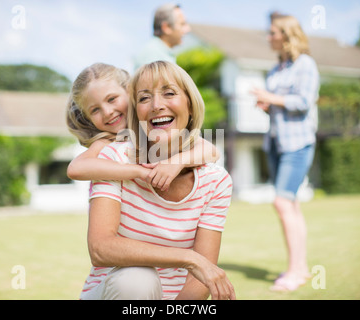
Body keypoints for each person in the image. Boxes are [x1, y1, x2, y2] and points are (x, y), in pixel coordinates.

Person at [78, 61, 235, 300]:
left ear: (190, 105)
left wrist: (178, 161)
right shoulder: (112, 158)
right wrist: (190, 259)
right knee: (138, 280)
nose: (157, 106)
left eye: (169, 93)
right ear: (135, 110)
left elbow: (198, 282)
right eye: (144, 98)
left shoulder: (215, 180)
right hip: (116, 293)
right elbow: (100, 249)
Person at [66, 62, 218, 191]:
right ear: (88, 118)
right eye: (95, 110)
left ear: (131, 92)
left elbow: (212, 151)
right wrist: (139, 171)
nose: (107, 112)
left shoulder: (155, 128)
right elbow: (75, 168)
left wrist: (178, 161)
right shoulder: (108, 141)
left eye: (112, 99)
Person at [251, 13, 319, 292]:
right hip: (276, 143)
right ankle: (300, 268)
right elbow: (279, 103)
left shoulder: (306, 64)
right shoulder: (275, 69)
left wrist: (271, 98)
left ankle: (294, 272)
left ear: (286, 35)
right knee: (290, 205)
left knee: (281, 202)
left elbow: (304, 101)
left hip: (298, 143)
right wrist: (266, 104)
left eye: (272, 33)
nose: (268, 37)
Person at [133, 3, 191, 70]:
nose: (188, 29)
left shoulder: (160, 53)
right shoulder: (153, 54)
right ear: (166, 27)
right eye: (182, 24)